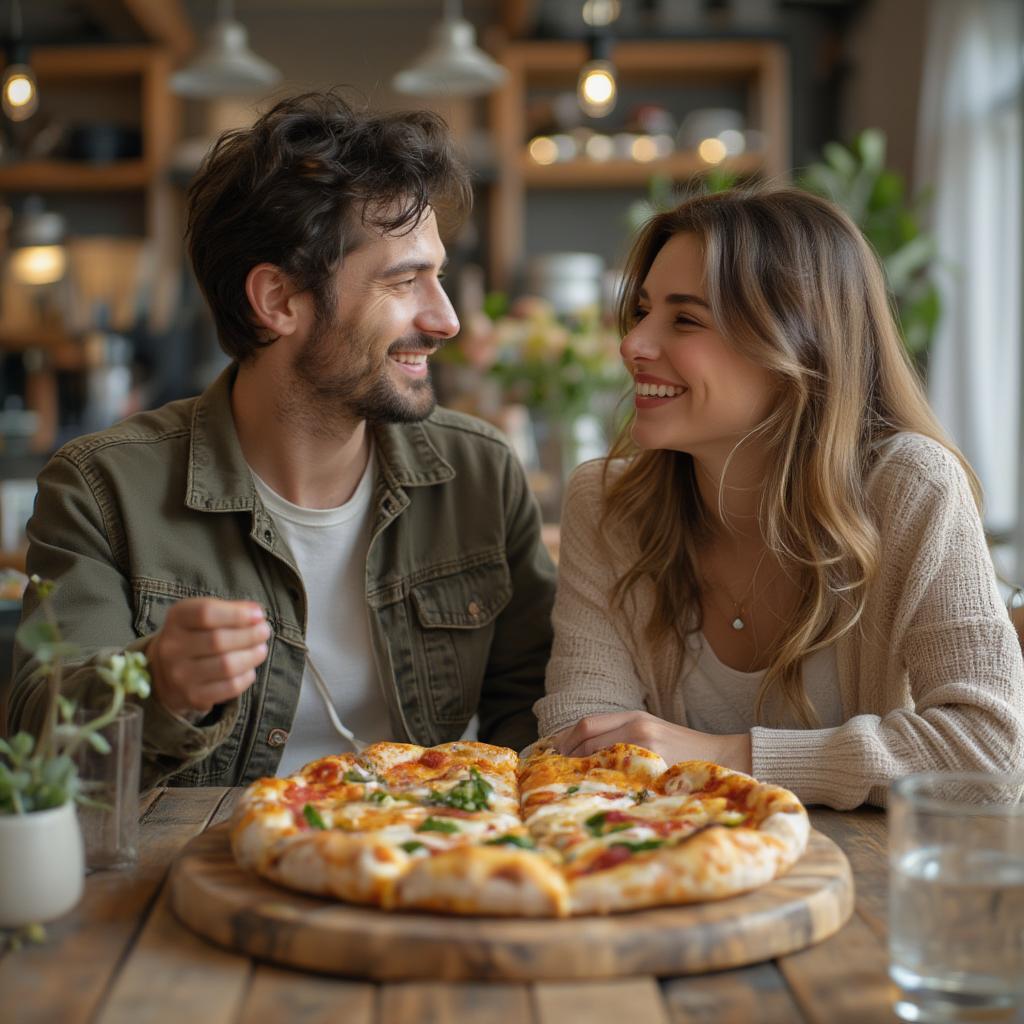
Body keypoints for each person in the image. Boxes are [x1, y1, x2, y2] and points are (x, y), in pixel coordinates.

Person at [8, 92, 555, 788]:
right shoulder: (101, 488)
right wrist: (156, 683)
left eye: (438, 276)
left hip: (423, 862)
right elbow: (38, 737)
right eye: (404, 281)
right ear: (278, 301)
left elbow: (533, 706)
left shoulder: (479, 471)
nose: (446, 319)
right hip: (203, 870)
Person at [536, 186, 1024, 809]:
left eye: (684, 319)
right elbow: (579, 733)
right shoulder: (603, 503)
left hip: (868, 889)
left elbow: (988, 755)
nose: (633, 344)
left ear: (797, 344)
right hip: (662, 871)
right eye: (642, 311)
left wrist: (722, 756)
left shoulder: (911, 487)